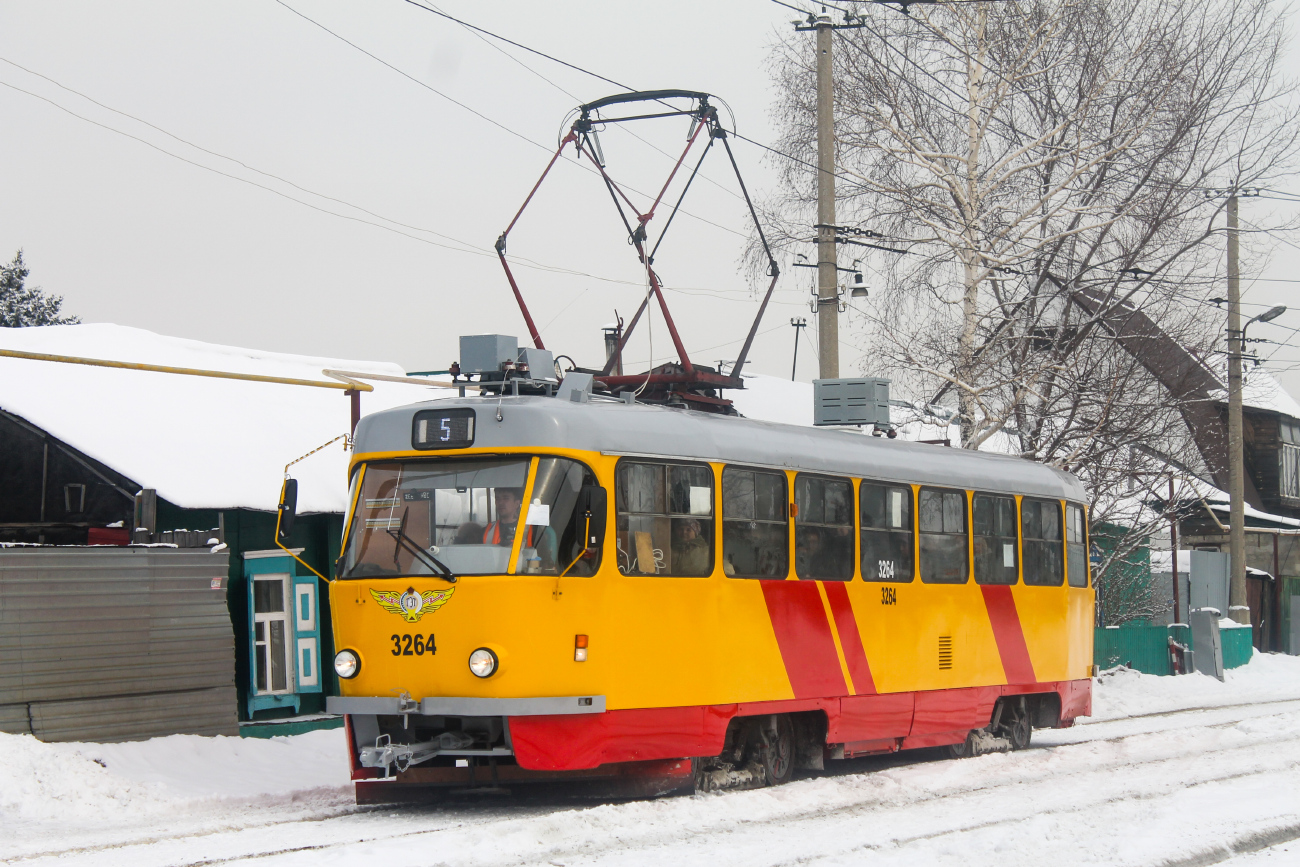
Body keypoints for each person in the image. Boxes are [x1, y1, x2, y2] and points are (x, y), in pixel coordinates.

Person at [483, 487, 557, 571]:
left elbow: (546, 564)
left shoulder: (532, 530)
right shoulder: (487, 530)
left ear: (517, 503)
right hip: (491, 580)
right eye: (497, 499)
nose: (500, 502)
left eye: (506, 498)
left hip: (523, 580)